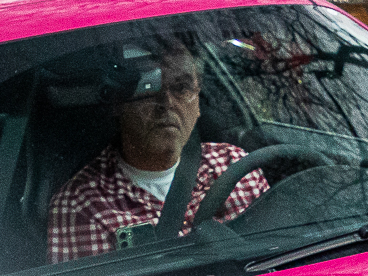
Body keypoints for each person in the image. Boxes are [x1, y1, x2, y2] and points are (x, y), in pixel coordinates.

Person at [47, 44, 270, 260]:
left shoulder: (238, 167)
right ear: (118, 104)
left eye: (181, 88)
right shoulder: (81, 206)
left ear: (198, 104)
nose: (167, 103)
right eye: (148, 87)